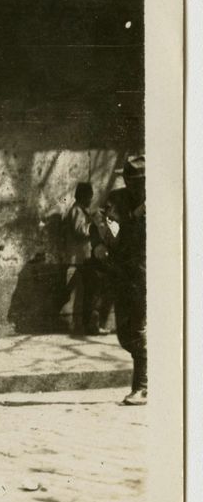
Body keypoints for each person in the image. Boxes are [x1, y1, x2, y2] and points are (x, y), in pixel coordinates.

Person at [98, 155, 146, 406]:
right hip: (122, 273)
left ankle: (142, 387)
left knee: (138, 329)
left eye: (140, 180)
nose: (137, 185)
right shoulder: (119, 198)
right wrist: (100, 240)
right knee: (125, 334)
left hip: (146, 273)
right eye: (132, 180)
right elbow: (107, 223)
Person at [65, 182, 100, 335]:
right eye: (89, 196)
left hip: (85, 257)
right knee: (91, 291)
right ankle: (89, 326)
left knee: (90, 291)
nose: (91, 200)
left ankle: (89, 325)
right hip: (83, 257)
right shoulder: (77, 211)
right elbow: (80, 230)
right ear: (84, 196)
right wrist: (95, 225)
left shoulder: (80, 210)